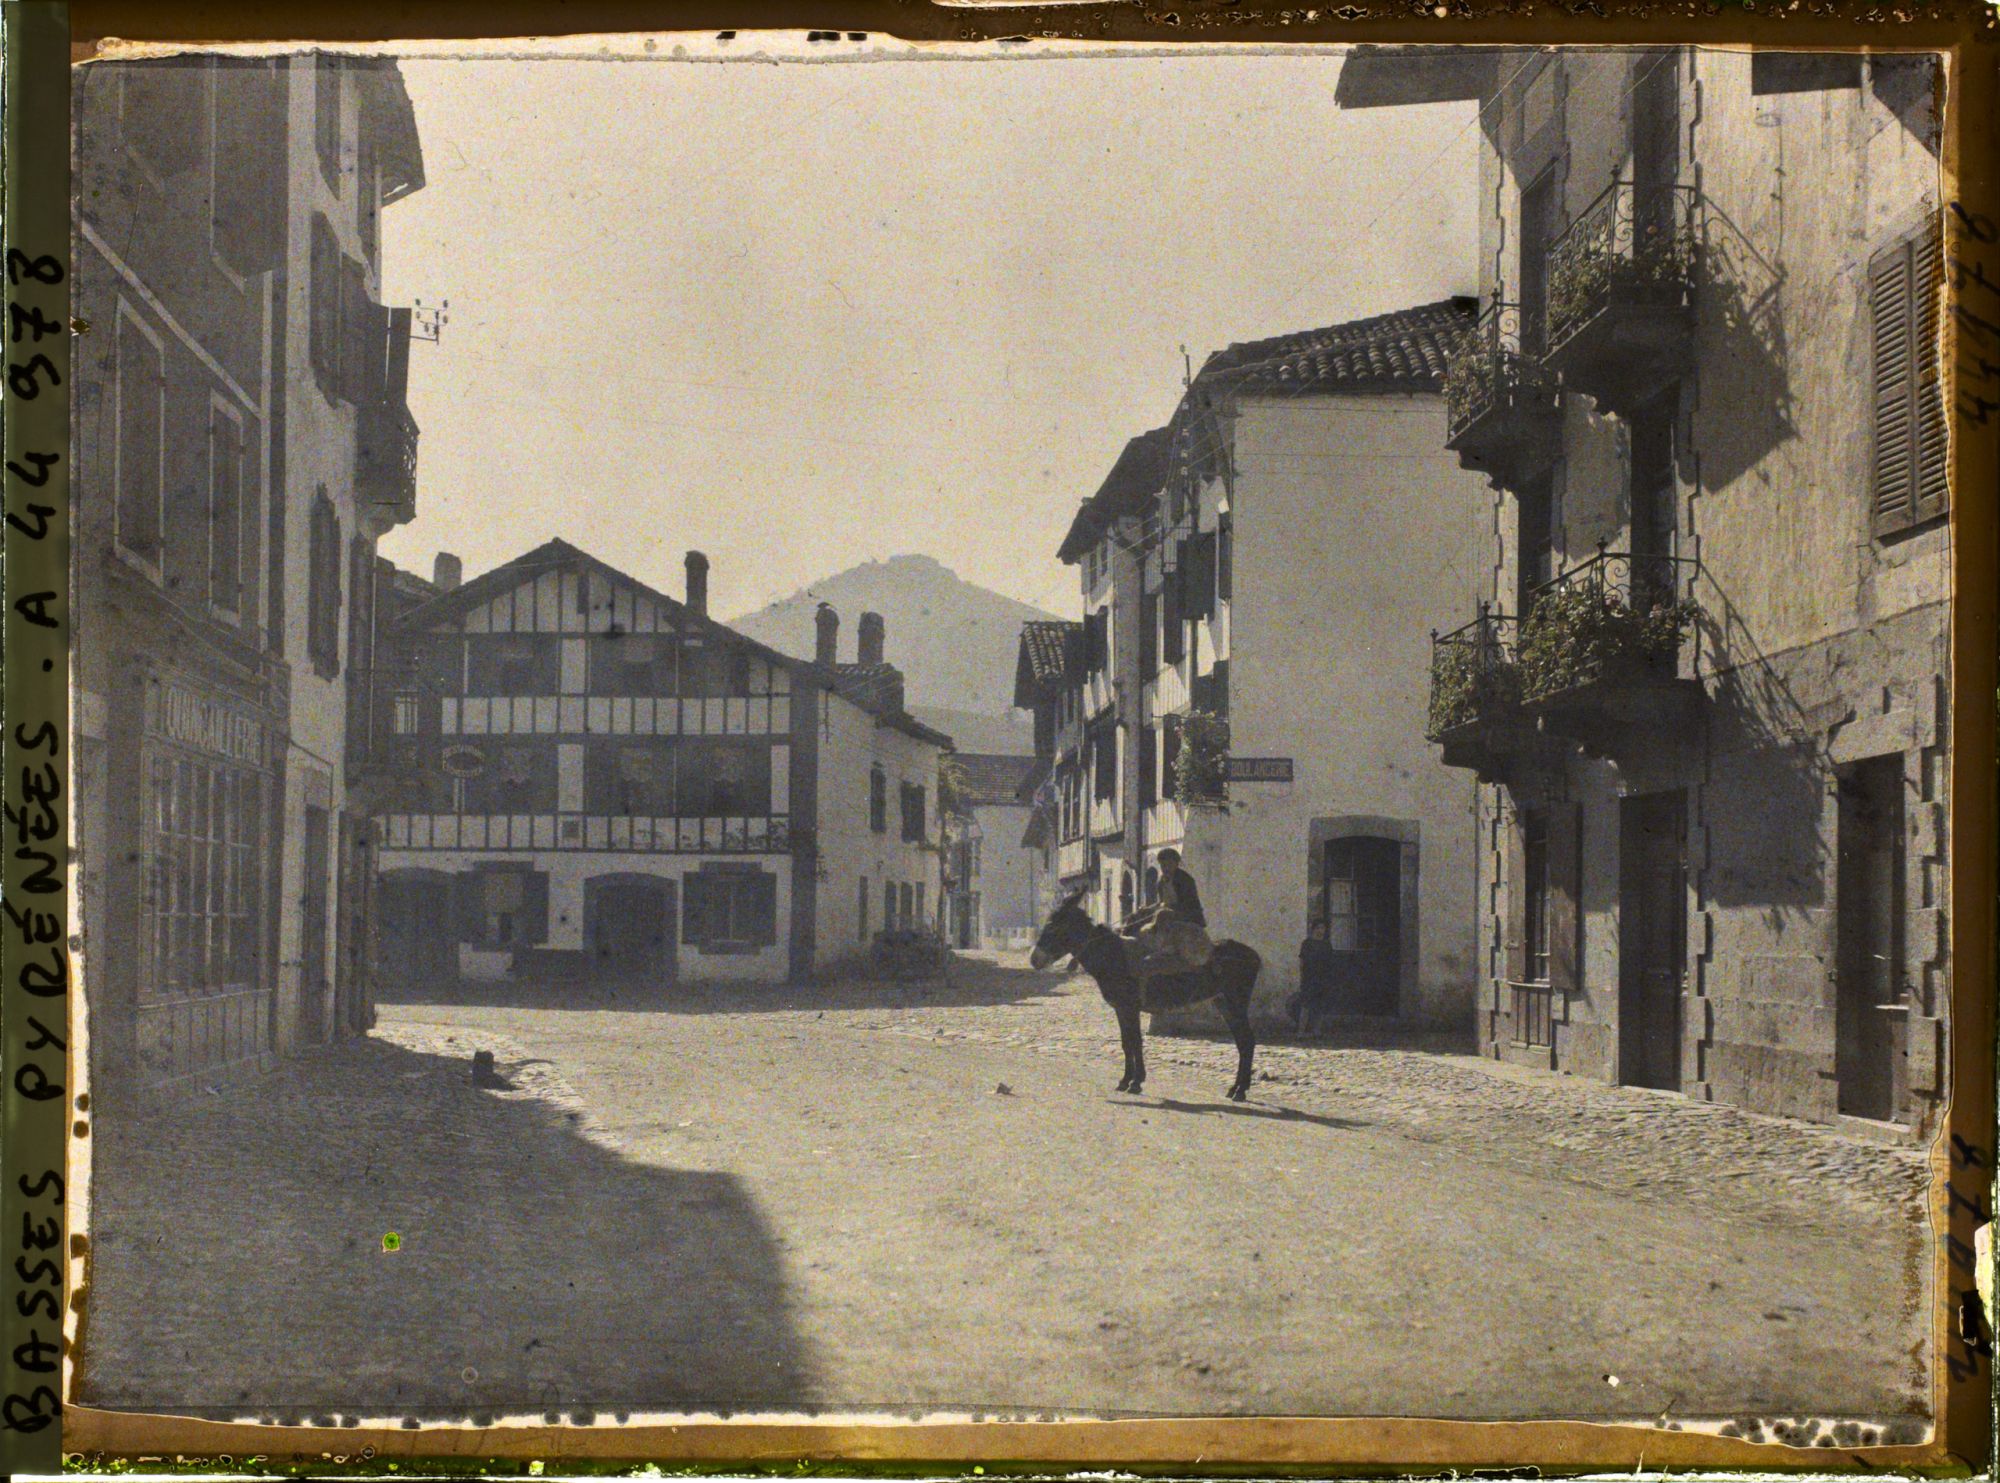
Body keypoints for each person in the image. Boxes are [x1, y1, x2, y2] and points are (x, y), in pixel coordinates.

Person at [1126, 847, 1214, 977]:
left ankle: (1165, 951)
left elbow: (1189, 903)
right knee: (1137, 916)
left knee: (1162, 916)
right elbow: (1161, 902)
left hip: (1187, 915)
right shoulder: (1161, 882)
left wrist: (1167, 910)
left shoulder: (1185, 880)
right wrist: (1148, 909)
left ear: (1176, 864)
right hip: (1168, 913)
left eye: (1169, 865)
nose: (1165, 868)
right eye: (1163, 865)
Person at [1288, 921, 1339, 1034]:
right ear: (1313, 929)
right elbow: (1302, 961)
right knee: (1306, 1005)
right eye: (1318, 928)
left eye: (1323, 928)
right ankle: (1301, 1031)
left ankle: (1317, 1030)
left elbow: (1330, 961)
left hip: (1323, 978)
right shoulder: (1307, 944)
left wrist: (1329, 977)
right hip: (1310, 978)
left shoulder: (1326, 944)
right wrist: (1302, 976)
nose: (1321, 931)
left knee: (1320, 1006)